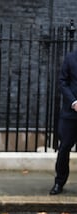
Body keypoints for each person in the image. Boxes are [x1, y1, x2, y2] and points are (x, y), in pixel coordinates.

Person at [50, 50, 77, 195]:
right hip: (70, 113)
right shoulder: (71, 58)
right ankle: (59, 182)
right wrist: (73, 102)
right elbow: (62, 82)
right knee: (64, 148)